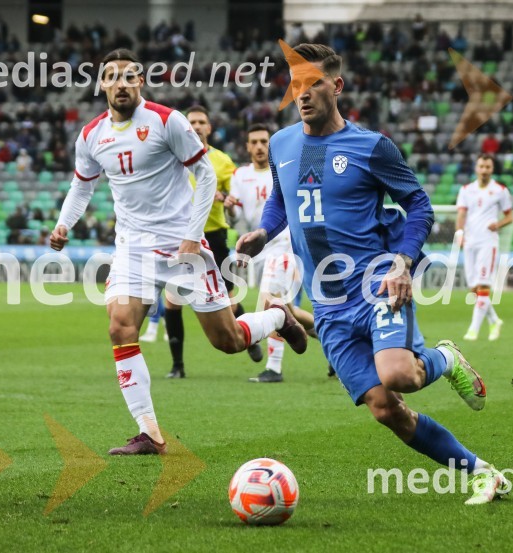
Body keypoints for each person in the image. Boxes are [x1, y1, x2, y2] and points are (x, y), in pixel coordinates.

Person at [236, 43, 509, 505]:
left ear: (336, 86)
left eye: (313, 83)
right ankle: (483, 473)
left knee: (399, 374)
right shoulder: (283, 143)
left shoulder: (371, 147)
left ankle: (443, 358)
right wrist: (264, 231)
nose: (302, 94)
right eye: (295, 84)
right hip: (328, 301)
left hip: (377, 281)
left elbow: (419, 204)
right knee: (386, 409)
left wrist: (403, 262)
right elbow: (282, 200)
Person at [50, 49, 307, 455]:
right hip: (132, 248)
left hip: (181, 247)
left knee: (226, 341)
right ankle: (149, 432)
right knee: (120, 326)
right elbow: (82, 185)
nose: (121, 83)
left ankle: (278, 315)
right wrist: (65, 223)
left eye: (129, 76)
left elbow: (204, 175)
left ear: (140, 82)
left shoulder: (167, 121)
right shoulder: (91, 136)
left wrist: (191, 235)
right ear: (101, 85)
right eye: (112, 77)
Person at [142, 105, 264, 378]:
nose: (196, 126)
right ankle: (178, 366)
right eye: (192, 121)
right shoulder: (172, 155)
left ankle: (250, 338)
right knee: (173, 300)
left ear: (209, 128)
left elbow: (235, 201)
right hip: (179, 237)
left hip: (213, 236)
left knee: (229, 302)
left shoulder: (222, 161)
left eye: (201, 122)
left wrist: (229, 202)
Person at [228, 123, 328, 383]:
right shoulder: (239, 176)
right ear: (247, 146)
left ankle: (273, 368)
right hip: (260, 249)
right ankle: (338, 345)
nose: (260, 146)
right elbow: (237, 218)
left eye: (264, 141)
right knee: (290, 314)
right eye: (255, 142)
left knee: (271, 303)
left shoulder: (283, 170)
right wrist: (229, 209)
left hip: (284, 244)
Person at [455, 154, 513, 342]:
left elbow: (509, 216)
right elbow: (461, 215)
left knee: (483, 285)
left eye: (487, 167)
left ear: (492, 169)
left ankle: (473, 330)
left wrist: (499, 224)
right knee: (474, 288)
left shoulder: (500, 190)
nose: (484, 170)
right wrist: (459, 233)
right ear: (476, 168)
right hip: (470, 241)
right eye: (481, 166)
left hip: (488, 242)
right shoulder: (466, 190)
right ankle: (495, 320)